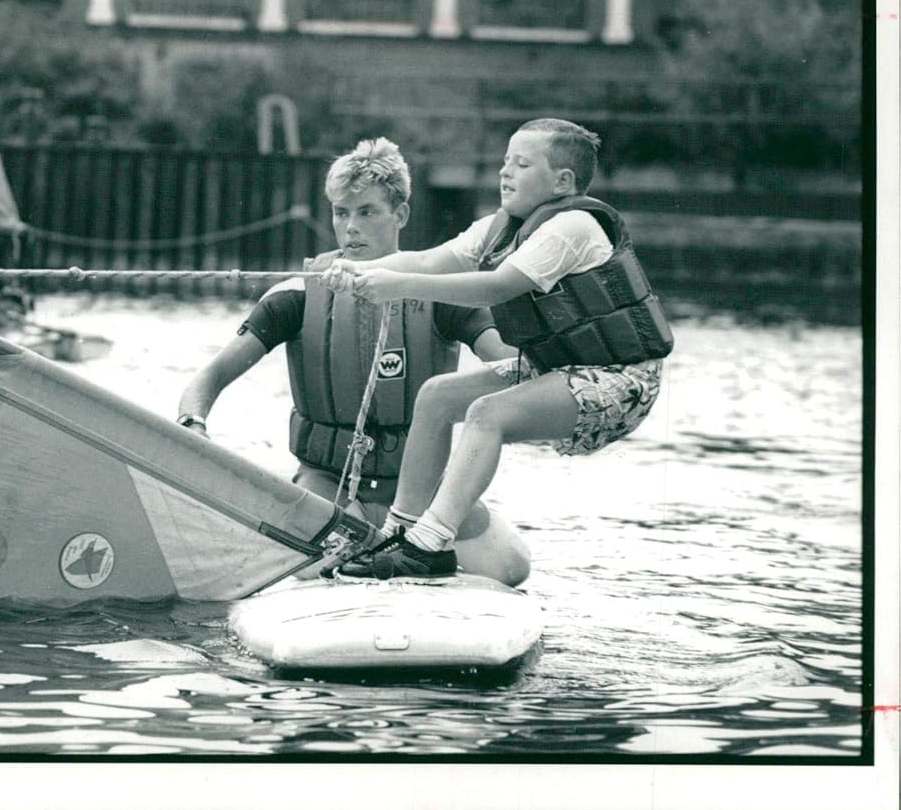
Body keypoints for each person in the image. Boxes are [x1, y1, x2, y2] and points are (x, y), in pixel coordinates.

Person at [321, 118, 673, 579]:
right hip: (559, 367)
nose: (505, 172)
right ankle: (398, 536)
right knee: (437, 396)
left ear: (562, 182)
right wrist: (358, 270)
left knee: (489, 413)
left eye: (522, 164)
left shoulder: (573, 227)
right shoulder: (500, 228)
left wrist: (394, 285)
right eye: (505, 161)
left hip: (620, 381)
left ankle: (429, 545)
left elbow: (497, 288)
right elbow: (428, 261)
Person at [176, 138, 532, 586]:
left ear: (399, 215)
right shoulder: (294, 296)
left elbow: (508, 365)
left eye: (366, 212)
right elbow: (210, 378)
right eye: (341, 213)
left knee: (512, 569)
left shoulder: (444, 296)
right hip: (328, 486)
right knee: (300, 574)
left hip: (420, 492)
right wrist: (193, 423)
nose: (350, 229)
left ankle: (411, 553)